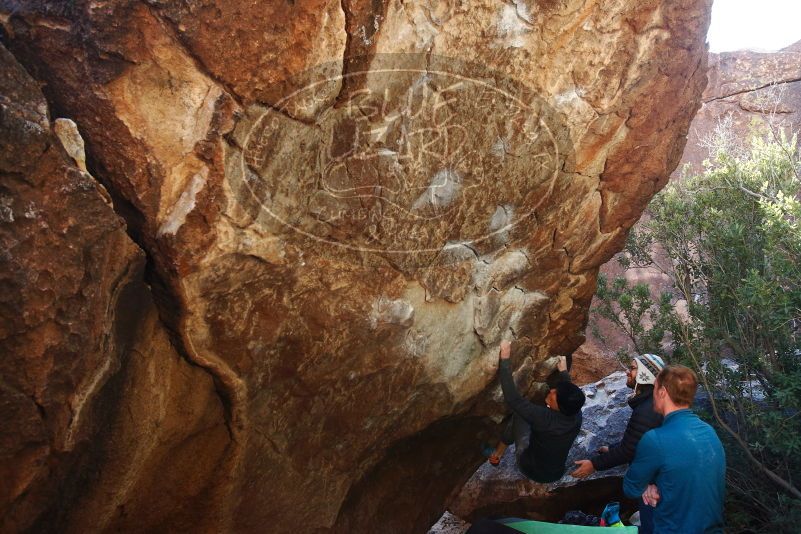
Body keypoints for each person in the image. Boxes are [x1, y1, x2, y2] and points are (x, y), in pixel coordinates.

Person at [623, 365, 726, 534]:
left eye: (655, 388)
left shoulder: (655, 439)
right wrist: (648, 485)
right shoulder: (709, 432)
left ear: (662, 392)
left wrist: (645, 486)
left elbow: (631, 487)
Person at [571, 354, 666, 534]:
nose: (627, 372)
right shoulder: (649, 403)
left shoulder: (647, 410)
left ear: (645, 374)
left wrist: (593, 465)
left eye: (632, 368)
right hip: (656, 479)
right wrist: (612, 448)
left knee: (652, 525)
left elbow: (630, 450)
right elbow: (638, 440)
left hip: (653, 485)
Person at [490, 340, 586, 483]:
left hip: (530, 468)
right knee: (530, 417)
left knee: (520, 415)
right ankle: (499, 452)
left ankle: (498, 453)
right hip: (556, 473)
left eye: (555, 395)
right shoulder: (576, 415)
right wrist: (564, 372)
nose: (552, 391)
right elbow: (570, 398)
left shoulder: (544, 418)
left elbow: (513, 399)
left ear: (560, 407)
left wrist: (505, 358)